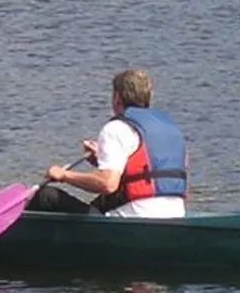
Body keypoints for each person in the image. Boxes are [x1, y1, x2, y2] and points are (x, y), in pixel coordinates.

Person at [26, 68, 187, 218]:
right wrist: (100, 161)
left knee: (45, 196)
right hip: (176, 215)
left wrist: (64, 175)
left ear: (117, 98)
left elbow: (108, 184)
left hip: (135, 218)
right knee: (100, 202)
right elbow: (153, 171)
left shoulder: (116, 128)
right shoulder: (172, 128)